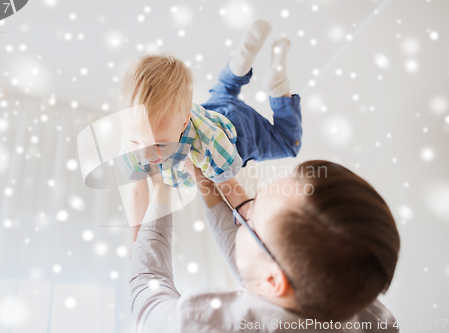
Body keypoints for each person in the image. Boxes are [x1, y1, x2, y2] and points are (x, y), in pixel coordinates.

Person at [130, 160, 401, 332]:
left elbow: (147, 285)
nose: (242, 215)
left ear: (274, 280)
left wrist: (159, 190)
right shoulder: (370, 315)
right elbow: (260, 264)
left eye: (250, 221)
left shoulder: (207, 325)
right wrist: (203, 179)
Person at [116, 19, 302, 243]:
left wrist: (249, 214)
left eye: (159, 145)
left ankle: (278, 85)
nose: (146, 154)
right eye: (136, 141)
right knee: (222, 92)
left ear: (183, 125)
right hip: (212, 112)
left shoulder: (206, 148)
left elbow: (229, 186)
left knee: (287, 143)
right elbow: (137, 190)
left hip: (240, 135)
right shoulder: (138, 133)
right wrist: (135, 238)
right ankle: (239, 63)